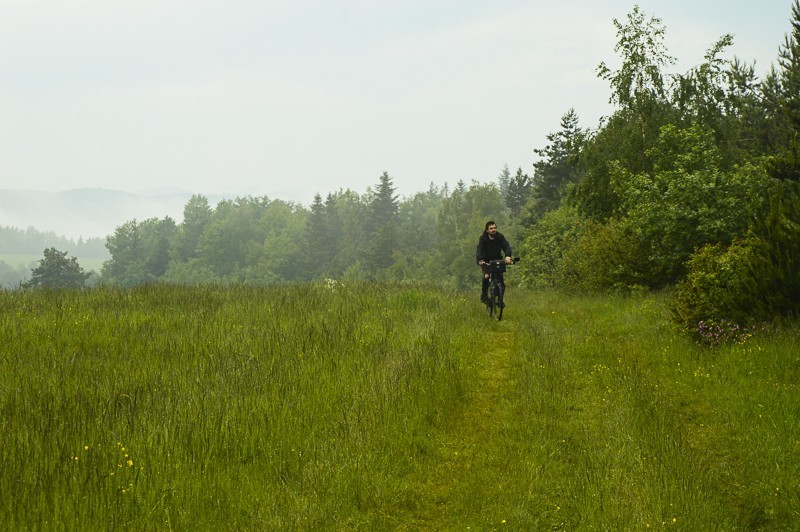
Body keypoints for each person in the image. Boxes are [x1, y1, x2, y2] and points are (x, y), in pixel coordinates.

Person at [475, 220, 513, 304]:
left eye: (495, 228)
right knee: (487, 276)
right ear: (487, 230)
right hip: (486, 261)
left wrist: (507, 256)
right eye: (491, 228)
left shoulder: (500, 237)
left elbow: (506, 246)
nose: (493, 230)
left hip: (497, 260)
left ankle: (500, 300)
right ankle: (484, 296)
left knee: (501, 281)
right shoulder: (483, 238)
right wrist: (480, 260)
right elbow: (479, 250)